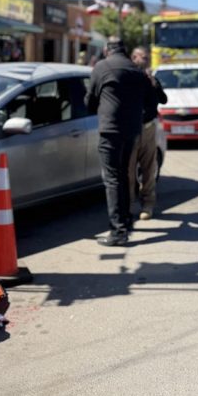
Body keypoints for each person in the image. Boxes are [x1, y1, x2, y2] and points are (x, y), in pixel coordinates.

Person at [85, 38, 149, 246]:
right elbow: (150, 100)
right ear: (125, 50)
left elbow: (90, 100)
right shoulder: (136, 69)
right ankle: (126, 221)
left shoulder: (102, 67)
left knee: (112, 179)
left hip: (110, 131)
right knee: (122, 176)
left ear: (106, 50)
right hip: (131, 131)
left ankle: (118, 231)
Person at [127, 47, 168, 221]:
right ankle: (127, 207)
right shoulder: (127, 79)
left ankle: (147, 205)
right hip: (130, 129)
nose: (144, 60)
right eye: (140, 57)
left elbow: (164, 99)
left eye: (146, 58)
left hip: (149, 128)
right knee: (128, 170)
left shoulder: (151, 80)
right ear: (132, 58)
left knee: (149, 169)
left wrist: (154, 84)